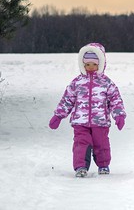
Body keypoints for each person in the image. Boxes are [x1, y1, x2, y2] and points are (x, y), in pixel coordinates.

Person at [49, 42, 126, 177]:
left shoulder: (107, 83)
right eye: (87, 64)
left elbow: (115, 100)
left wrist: (119, 115)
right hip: (80, 122)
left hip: (100, 122)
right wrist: (58, 115)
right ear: (82, 64)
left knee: (101, 144)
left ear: (101, 64)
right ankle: (80, 167)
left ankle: (103, 165)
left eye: (94, 64)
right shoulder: (77, 83)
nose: (91, 67)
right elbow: (67, 100)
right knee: (81, 143)